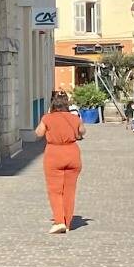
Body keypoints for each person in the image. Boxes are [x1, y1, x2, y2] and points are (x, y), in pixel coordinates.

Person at [35, 92, 84, 233]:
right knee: (69, 190)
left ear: (53, 105)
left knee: (55, 190)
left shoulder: (47, 118)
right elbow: (82, 131)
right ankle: (68, 223)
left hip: (54, 154)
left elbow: (38, 133)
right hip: (72, 153)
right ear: (66, 104)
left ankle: (59, 221)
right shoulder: (74, 118)